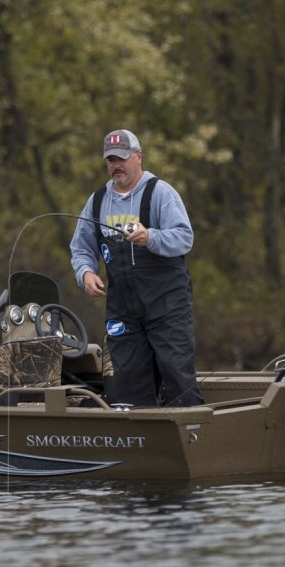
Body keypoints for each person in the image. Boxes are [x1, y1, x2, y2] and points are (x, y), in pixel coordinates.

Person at [69, 129, 204, 407]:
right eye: (110, 160)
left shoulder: (161, 193)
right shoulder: (96, 202)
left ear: (138, 157)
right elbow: (81, 248)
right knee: (125, 382)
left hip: (166, 305)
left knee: (176, 374)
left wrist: (150, 237)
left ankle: (193, 441)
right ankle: (135, 444)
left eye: (122, 158)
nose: (116, 165)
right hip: (123, 310)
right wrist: (86, 272)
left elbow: (184, 238)